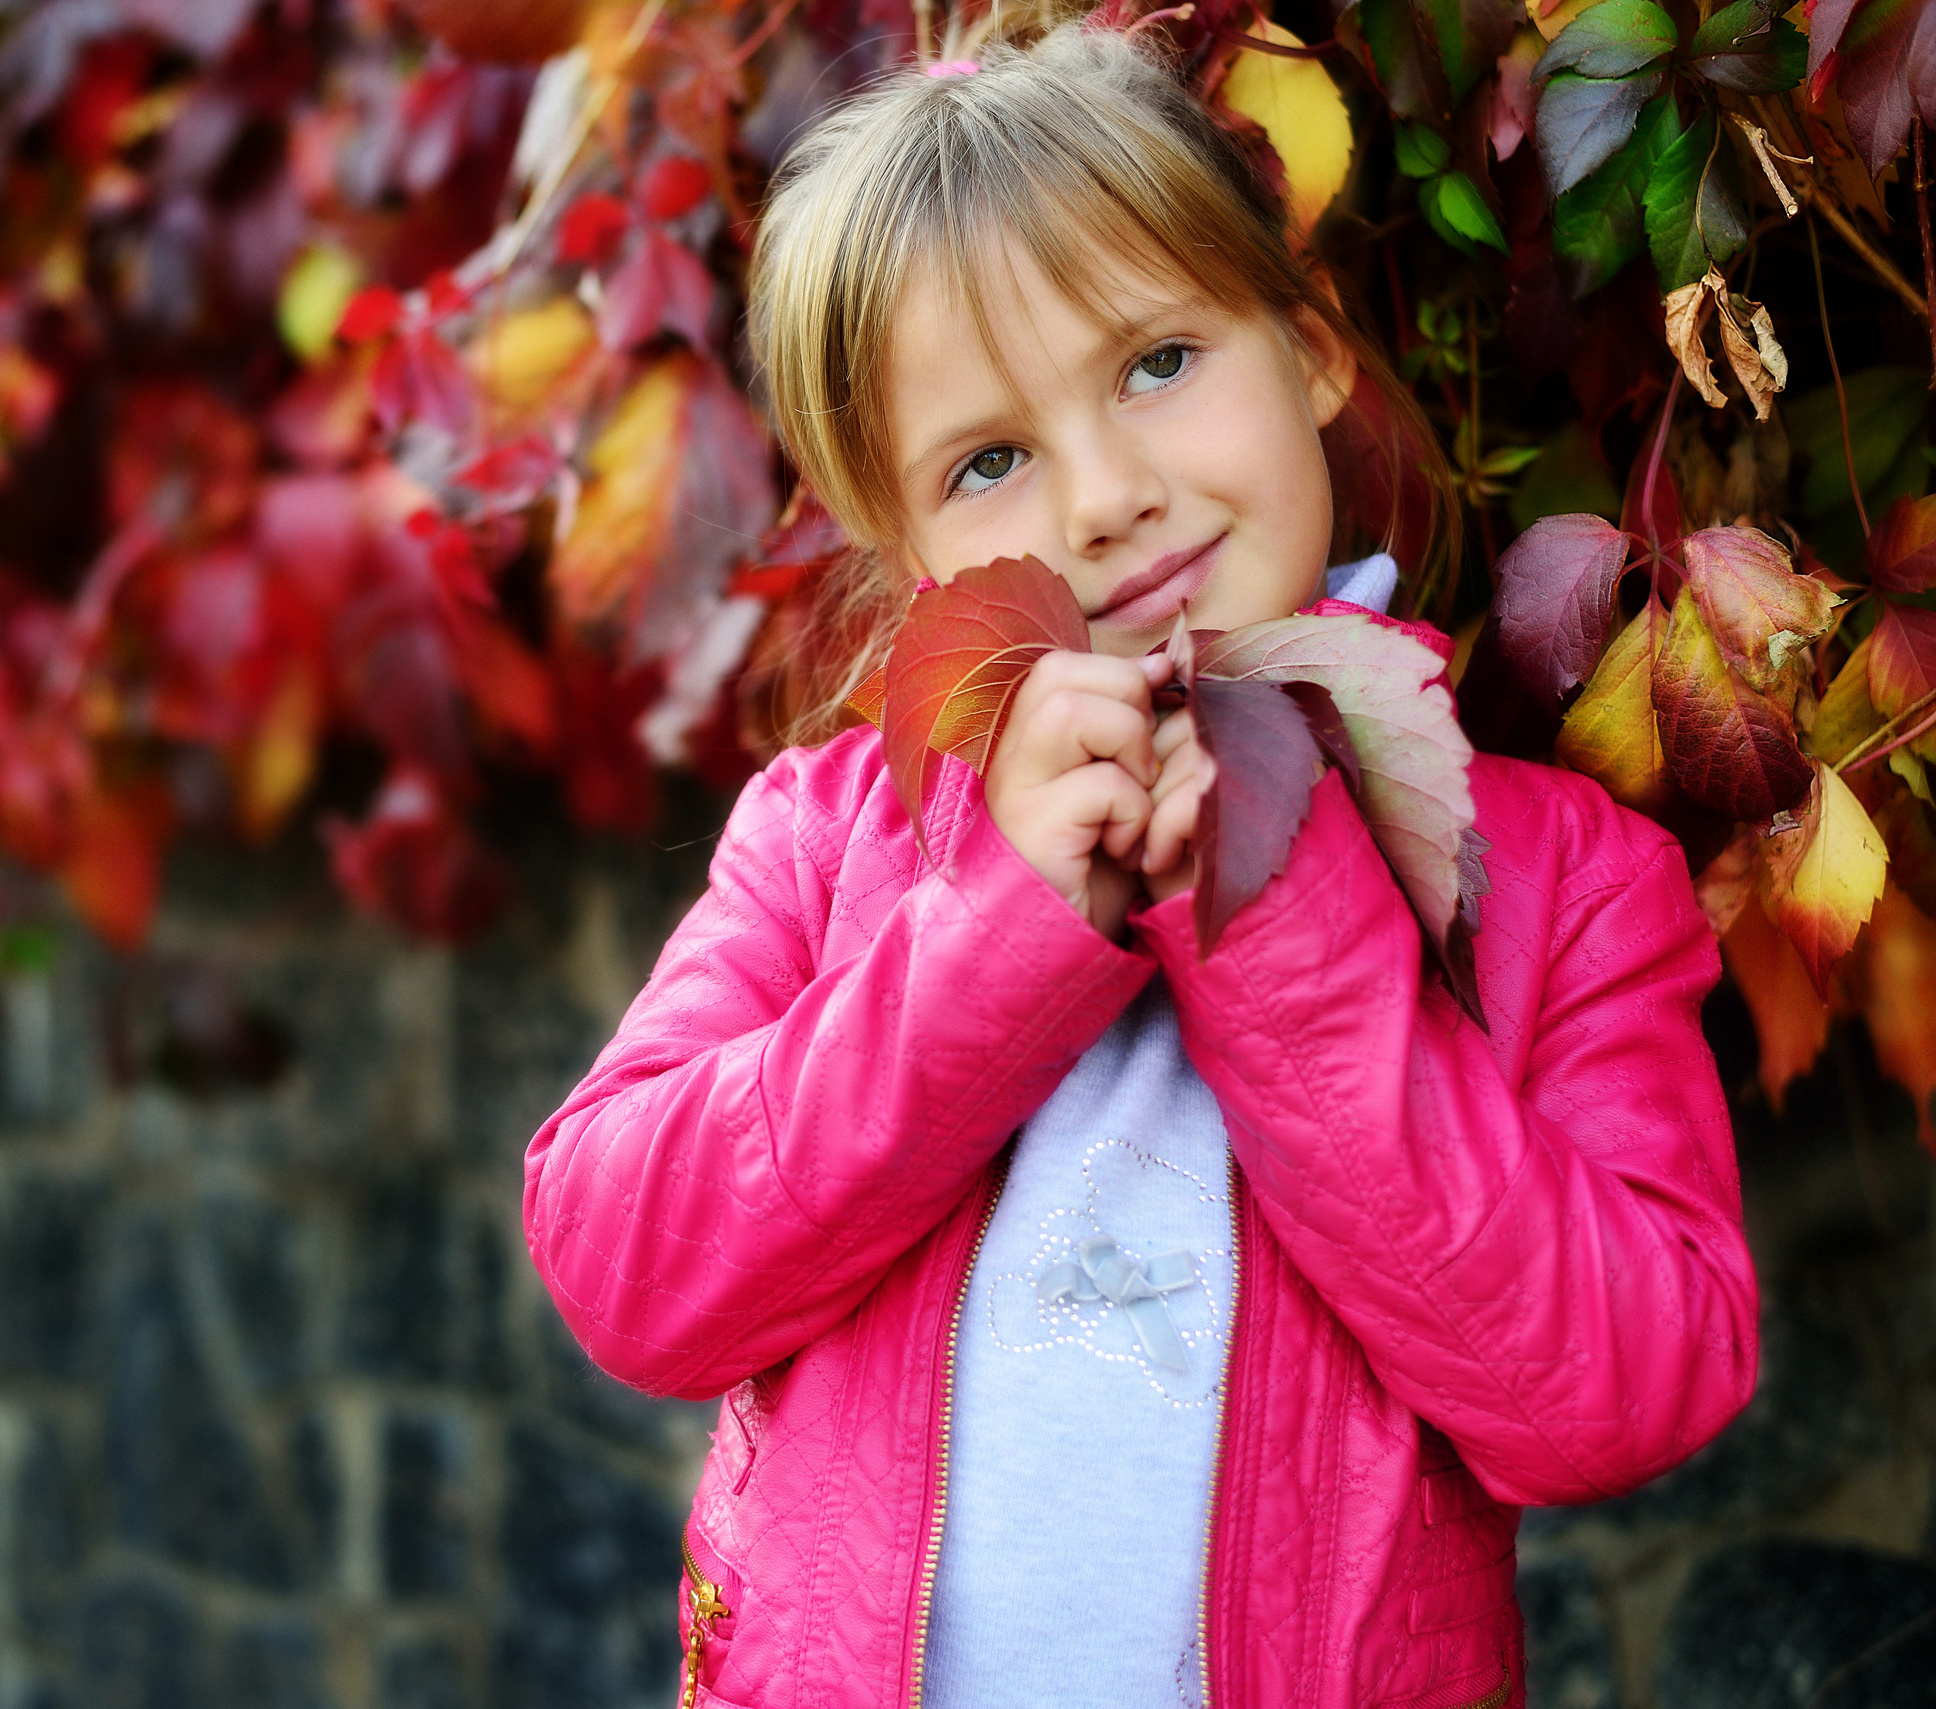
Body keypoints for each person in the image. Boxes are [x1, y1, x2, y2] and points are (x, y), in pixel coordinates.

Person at [522, 22, 1757, 1709]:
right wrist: (1000, 933)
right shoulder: (829, 844)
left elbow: (1625, 1389)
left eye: (1159, 361)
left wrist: (1279, 902)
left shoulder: (1560, 887)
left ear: (1310, 347)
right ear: (908, 544)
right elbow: (627, 1266)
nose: (1104, 496)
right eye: (988, 460)